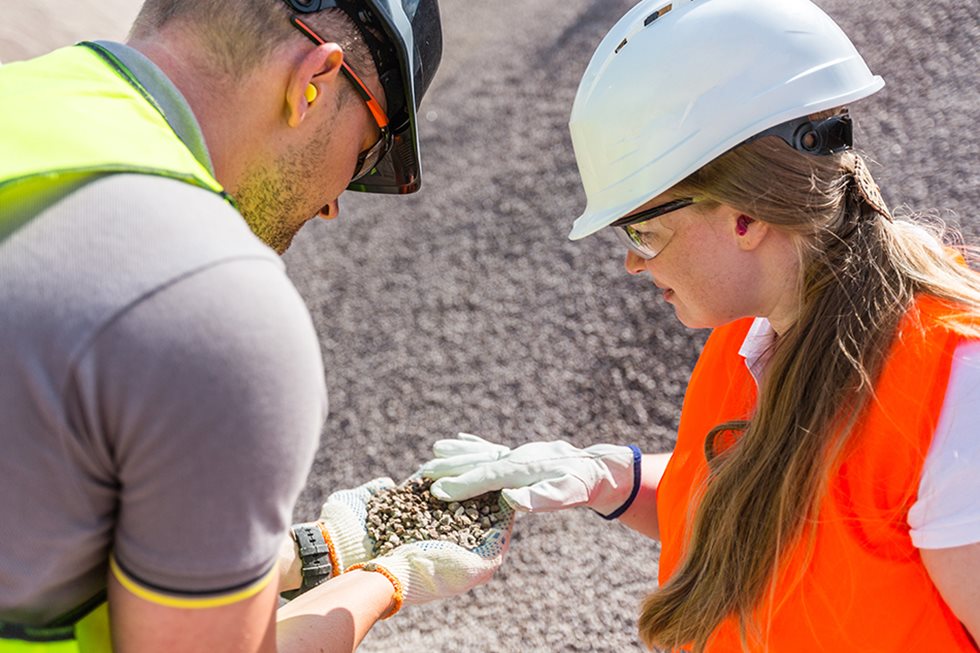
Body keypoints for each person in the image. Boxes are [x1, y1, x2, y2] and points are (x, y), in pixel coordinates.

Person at [420, 0, 980, 650]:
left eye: (644, 230)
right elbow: (757, 513)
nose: (631, 261)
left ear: (745, 216)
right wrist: (613, 478)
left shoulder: (951, 391)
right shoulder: (752, 341)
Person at [0, 1, 512, 651]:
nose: (332, 205)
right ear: (313, 84)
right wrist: (383, 581)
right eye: (366, 155)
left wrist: (319, 554)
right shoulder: (213, 303)